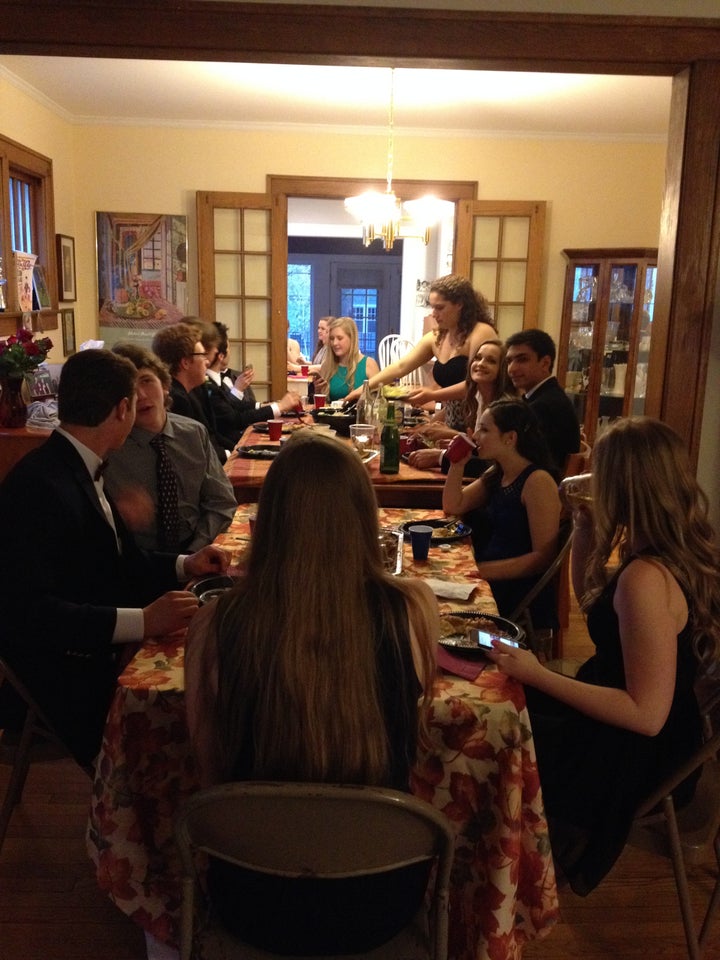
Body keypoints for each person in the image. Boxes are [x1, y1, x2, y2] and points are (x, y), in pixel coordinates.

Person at [184, 430, 439, 953]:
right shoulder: (413, 611)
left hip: (250, 893)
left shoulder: (214, 625)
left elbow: (209, 772)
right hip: (382, 894)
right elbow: (412, 742)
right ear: (363, 517)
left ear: (268, 521)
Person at [484, 417, 720, 896]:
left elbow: (646, 714)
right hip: (642, 722)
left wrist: (536, 671)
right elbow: (598, 609)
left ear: (623, 484)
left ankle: (504, 882)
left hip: (642, 753)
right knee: (509, 702)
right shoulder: (662, 550)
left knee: (500, 738)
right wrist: (586, 530)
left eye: (600, 472)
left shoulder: (647, 578)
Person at [0, 349, 228, 766]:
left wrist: (185, 565)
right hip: (68, 674)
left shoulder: (79, 464)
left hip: (98, 647)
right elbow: (28, 614)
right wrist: (143, 620)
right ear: (123, 409)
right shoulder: (39, 486)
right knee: (210, 705)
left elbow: (120, 561)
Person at [105, 342, 236, 553]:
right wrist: (114, 512)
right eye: (129, 389)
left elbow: (221, 502)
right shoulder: (110, 447)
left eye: (146, 381)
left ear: (165, 385)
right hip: (137, 563)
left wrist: (194, 554)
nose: (141, 395)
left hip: (197, 548)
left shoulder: (193, 434)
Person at [442, 398, 561, 627]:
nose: (475, 436)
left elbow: (542, 558)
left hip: (516, 590)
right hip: (490, 574)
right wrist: (457, 464)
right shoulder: (498, 473)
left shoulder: (537, 481)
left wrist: (480, 571)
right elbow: (454, 505)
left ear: (510, 438)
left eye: (484, 430)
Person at [344, 274, 496, 408]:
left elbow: (479, 383)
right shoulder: (437, 337)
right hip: (451, 416)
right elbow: (400, 367)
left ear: (459, 304)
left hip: (482, 417)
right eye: (433, 308)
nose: (434, 314)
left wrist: (433, 395)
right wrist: (363, 389)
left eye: (440, 308)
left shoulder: (481, 332)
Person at [408, 338, 516, 471]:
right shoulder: (477, 397)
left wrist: (442, 455)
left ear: (503, 369)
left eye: (491, 361)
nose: (481, 364)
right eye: (477, 358)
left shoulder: (506, 408)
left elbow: (493, 463)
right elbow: (480, 447)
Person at [197, 320, 302, 445]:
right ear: (220, 354)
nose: (204, 359)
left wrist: (273, 405)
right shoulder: (205, 385)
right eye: (200, 354)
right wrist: (279, 407)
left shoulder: (221, 379)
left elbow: (239, 407)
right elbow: (235, 419)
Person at [151, 321, 232, 463]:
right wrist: (232, 454)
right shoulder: (176, 399)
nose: (207, 362)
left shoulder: (188, 392)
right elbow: (194, 456)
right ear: (185, 363)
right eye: (202, 355)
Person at [505, 328, 580, 477]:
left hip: (536, 492)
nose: (512, 368)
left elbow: (516, 461)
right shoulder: (543, 397)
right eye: (509, 361)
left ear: (545, 363)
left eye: (522, 359)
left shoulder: (545, 406)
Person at [315, 315, 380, 402]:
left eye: (340, 338)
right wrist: (317, 390)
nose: (334, 343)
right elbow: (322, 405)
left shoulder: (369, 364)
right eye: (332, 338)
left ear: (352, 339)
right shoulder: (327, 366)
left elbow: (378, 401)